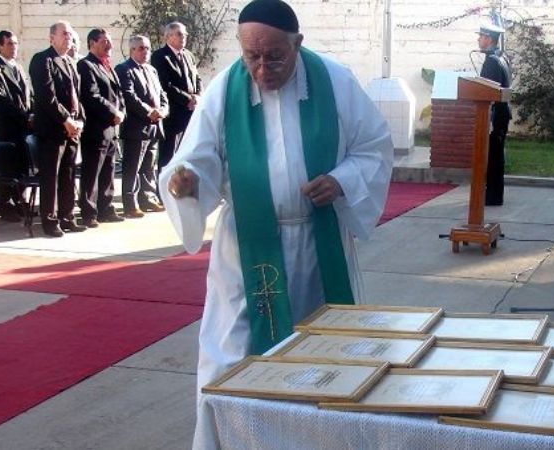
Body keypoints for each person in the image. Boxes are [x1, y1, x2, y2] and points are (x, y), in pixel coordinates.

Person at [160, 0, 392, 446]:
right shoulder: (224, 89)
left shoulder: (335, 82)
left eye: (274, 56)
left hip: (315, 244)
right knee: (230, 361)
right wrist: (185, 181)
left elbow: (375, 146)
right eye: (252, 56)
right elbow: (196, 159)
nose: (262, 68)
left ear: (297, 44)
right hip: (247, 248)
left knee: (323, 361)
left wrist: (341, 180)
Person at [29, 20, 86, 237]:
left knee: (69, 175)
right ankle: (50, 221)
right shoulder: (42, 60)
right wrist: (65, 120)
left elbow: (76, 97)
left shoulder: (70, 62)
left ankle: (67, 217)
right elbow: (46, 95)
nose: (68, 38)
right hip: (52, 130)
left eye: (71, 34)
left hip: (72, 129)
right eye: (64, 34)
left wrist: (79, 120)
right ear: (51, 37)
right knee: (51, 177)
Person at [76, 28, 125, 227]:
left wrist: (121, 112)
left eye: (110, 41)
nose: (109, 45)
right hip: (96, 128)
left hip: (112, 128)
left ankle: (105, 208)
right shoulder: (86, 65)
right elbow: (92, 95)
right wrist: (113, 112)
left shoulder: (107, 66)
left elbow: (119, 94)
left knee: (108, 170)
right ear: (92, 43)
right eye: (105, 41)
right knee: (92, 171)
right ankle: (89, 212)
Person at [115, 35, 168, 218]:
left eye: (147, 48)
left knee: (149, 166)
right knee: (133, 167)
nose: (145, 51)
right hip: (136, 127)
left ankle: (148, 198)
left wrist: (162, 110)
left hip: (155, 126)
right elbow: (129, 96)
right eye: (140, 48)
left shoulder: (152, 70)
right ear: (131, 50)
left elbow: (162, 94)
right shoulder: (124, 69)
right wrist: (148, 111)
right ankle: (131, 204)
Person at [0, 30, 32, 223]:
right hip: (8, 129)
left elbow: (29, 96)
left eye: (15, 43)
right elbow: (3, 101)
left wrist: (34, 114)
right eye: (9, 44)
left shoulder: (19, 68)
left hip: (24, 129)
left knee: (23, 168)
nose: (14, 47)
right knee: (6, 170)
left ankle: (20, 200)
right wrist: (25, 117)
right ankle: (4, 204)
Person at [150, 21, 202, 179]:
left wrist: (198, 95)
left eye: (185, 34)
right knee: (169, 154)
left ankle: (183, 189)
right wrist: (187, 99)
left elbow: (197, 78)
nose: (183, 37)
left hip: (191, 112)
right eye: (179, 34)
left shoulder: (188, 55)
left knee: (187, 153)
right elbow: (165, 84)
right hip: (173, 114)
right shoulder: (160, 56)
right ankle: (164, 190)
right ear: (168, 36)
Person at [477, 22, 512, 206]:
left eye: (481, 36)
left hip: (495, 116)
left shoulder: (491, 61)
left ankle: (492, 197)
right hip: (502, 114)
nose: (478, 39)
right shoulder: (502, 57)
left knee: (493, 158)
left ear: (488, 39)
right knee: (497, 157)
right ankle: (494, 195)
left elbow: (487, 90)